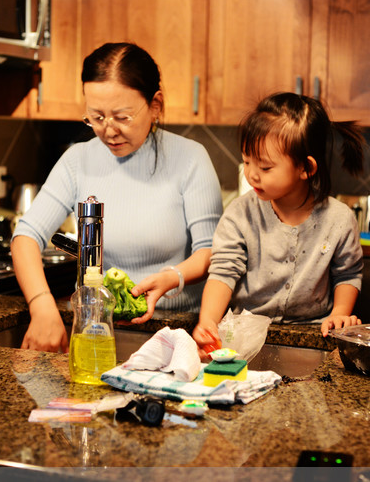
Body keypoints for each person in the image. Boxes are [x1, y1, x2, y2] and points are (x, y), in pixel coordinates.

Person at [12, 42, 223, 352]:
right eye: (96, 117)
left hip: (173, 339)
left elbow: (211, 253)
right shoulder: (77, 160)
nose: (108, 131)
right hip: (94, 335)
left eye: (122, 117)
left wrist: (172, 277)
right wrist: (41, 304)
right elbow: (26, 236)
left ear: (155, 105)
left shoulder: (190, 159)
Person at [192, 92, 366, 352]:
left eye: (265, 167)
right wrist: (208, 321)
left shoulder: (339, 219)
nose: (251, 174)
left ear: (305, 168)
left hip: (313, 339)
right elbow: (223, 271)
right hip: (245, 336)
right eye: (247, 160)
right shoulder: (240, 213)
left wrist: (340, 313)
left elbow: (348, 274)